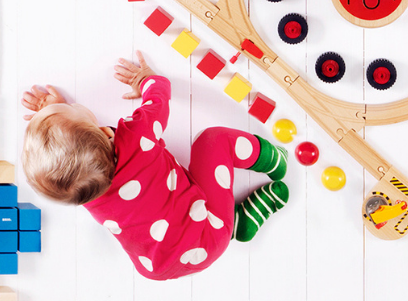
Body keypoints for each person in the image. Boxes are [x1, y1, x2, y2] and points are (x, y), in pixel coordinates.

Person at [17, 52, 289, 280]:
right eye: (73, 109)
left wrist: (64, 118)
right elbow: (160, 92)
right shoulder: (137, 135)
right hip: (208, 234)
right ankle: (272, 160)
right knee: (213, 140)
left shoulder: (83, 193)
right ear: (100, 128)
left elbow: (76, 155)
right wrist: (144, 79)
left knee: (192, 218)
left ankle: (238, 224)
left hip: (157, 267)